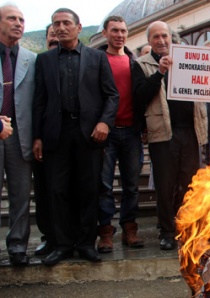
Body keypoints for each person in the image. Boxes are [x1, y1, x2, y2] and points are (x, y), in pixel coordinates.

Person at [33, 8, 119, 266]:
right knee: (57, 191)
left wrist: (105, 122)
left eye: (66, 23)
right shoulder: (44, 60)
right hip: (56, 135)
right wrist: (37, 136)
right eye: (56, 24)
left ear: (79, 27)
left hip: (89, 134)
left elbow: (112, 95)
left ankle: (85, 243)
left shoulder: (97, 57)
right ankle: (62, 245)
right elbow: (39, 102)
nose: (61, 27)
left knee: (88, 189)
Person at [132, 21, 208, 250]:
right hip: (163, 133)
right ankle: (166, 231)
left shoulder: (187, 57)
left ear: (171, 37)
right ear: (150, 41)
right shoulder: (141, 65)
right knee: (165, 186)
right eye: (155, 37)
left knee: (189, 184)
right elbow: (139, 96)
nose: (161, 40)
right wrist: (160, 72)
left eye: (164, 35)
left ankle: (188, 228)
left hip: (191, 131)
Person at [96, 15, 145, 254]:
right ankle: (105, 231)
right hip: (105, 132)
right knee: (103, 185)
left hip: (132, 132)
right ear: (105, 33)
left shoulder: (135, 62)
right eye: (114, 30)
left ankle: (129, 228)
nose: (119, 35)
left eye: (123, 30)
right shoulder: (96, 60)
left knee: (132, 185)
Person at [0, 4, 35, 266]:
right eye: (12, 18)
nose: (18, 23)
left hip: (20, 134)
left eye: (22, 19)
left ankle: (18, 246)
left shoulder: (31, 59)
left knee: (21, 194)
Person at [33, 23, 59, 257]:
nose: (57, 39)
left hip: (74, 138)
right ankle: (49, 237)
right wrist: (37, 136)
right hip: (46, 137)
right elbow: (37, 101)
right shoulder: (38, 63)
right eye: (52, 35)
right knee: (45, 192)